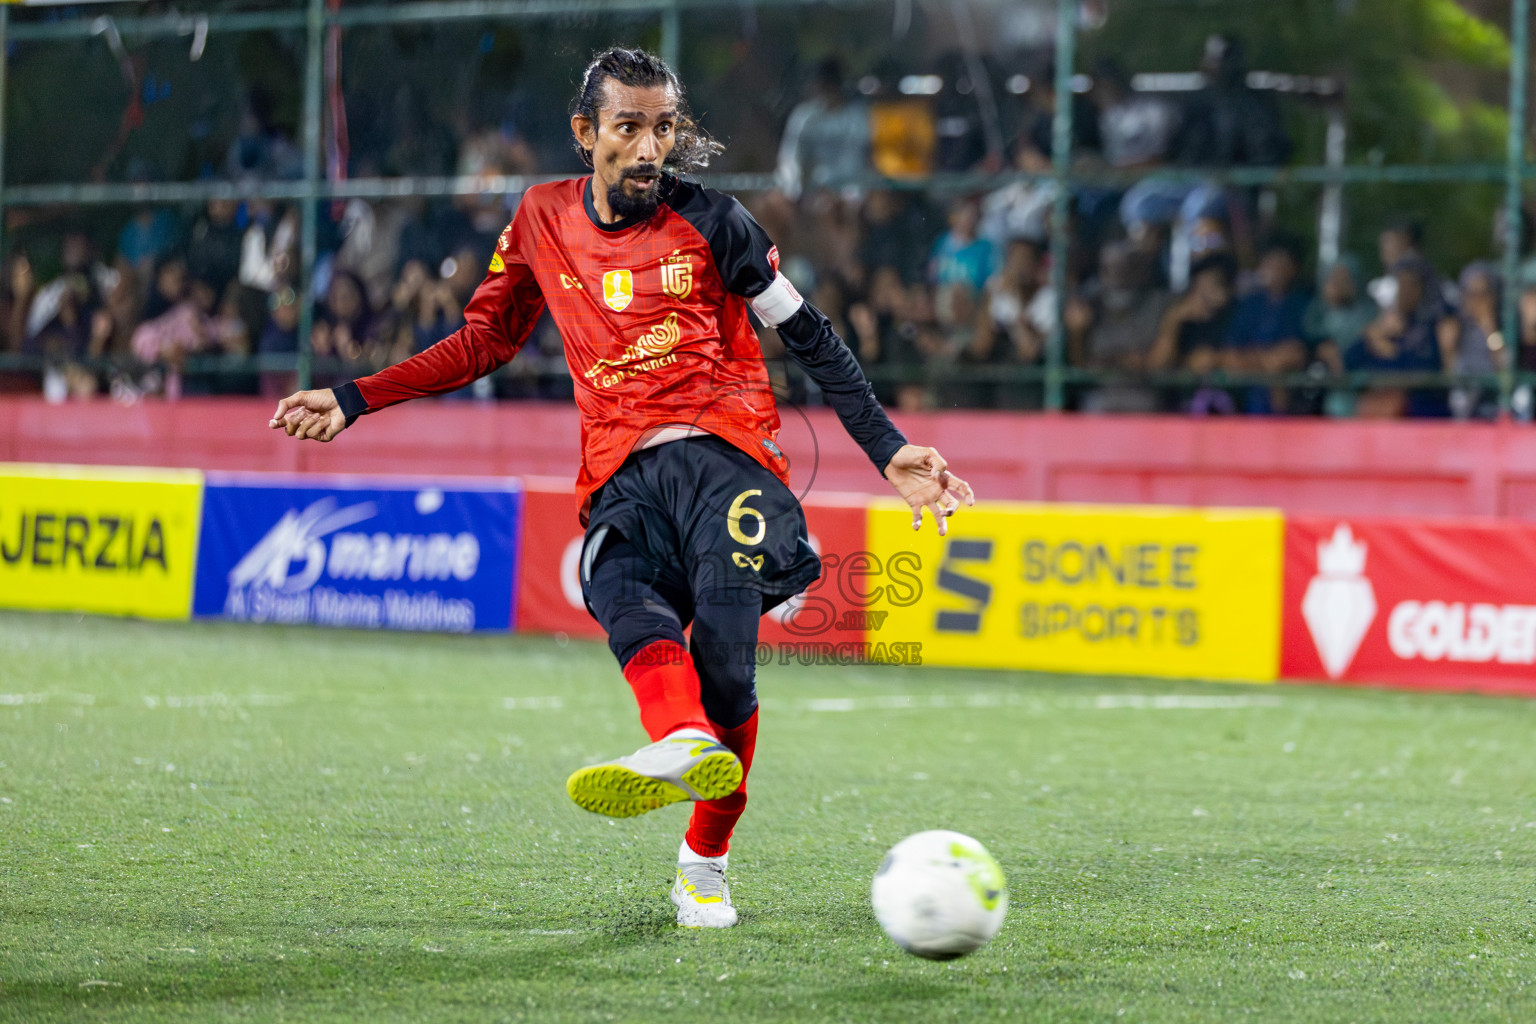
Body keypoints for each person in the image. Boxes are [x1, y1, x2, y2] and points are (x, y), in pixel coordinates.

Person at [266, 47, 972, 930]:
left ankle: (703, 863)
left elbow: (813, 338)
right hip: (622, 473)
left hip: (727, 460)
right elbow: (482, 342)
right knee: (616, 584)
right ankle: (678, 738)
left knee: (727, 672)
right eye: (629, 127)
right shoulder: (539, 218)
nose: (648, 149)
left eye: (663, 127)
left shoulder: (718, 224)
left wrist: (889, 449)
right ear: (585, 132)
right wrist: (355, 395)